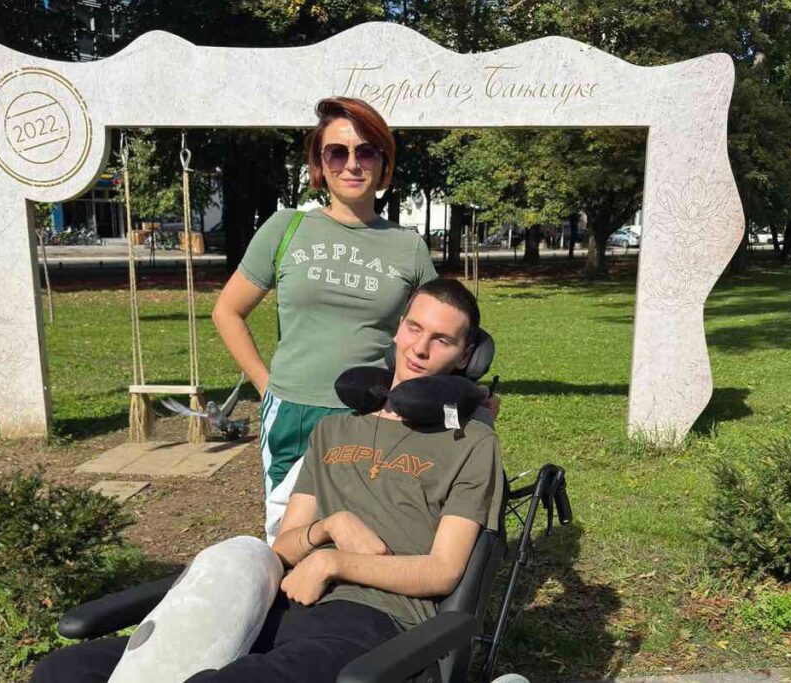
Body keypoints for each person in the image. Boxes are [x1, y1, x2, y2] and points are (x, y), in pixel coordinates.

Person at [29, 279, 502, 683]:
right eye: (414, 328)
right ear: (398, 328)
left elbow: (443, 570)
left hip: (372, 627)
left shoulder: (472, 444)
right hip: (271, 606)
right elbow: (286, 546)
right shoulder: (334, 430)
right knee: (65, 672)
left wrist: (333, 563)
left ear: (465, 356)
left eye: (442, 340)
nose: (420, 348)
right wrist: (328, 528)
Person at [212, 97, 437, 539]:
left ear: (383, 163)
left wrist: (462, 394)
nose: (352, 164)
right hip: (293, 413)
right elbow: (227, 311)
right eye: (337, 152)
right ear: (319, 163)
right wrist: (266, 386)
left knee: (367, 537)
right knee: (289, 538)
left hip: (371, 413)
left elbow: (435, 330)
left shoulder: (408, 247)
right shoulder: (286, 228)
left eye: (366, 151)